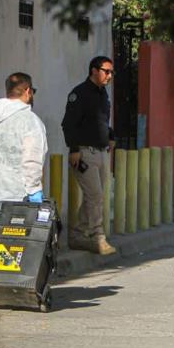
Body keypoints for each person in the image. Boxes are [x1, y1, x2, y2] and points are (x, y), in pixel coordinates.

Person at [61, 56, 116, 255]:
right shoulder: (79, 93)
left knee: (96, 196)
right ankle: (97, 236)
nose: (109, 76)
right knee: (95, 195)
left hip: (101, 152)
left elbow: (102, 121)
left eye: (111, 72)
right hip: (84, 152)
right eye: (106, 71)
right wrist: (74, 149)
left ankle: (77, 235)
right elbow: (68, 124)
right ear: (94, 70)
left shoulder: (103, 94)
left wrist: (111, 136)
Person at [0, 72, 47, 214]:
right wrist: (34, 189)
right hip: (19, 198)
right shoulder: (31, 121)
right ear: (27, 91)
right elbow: (32, 160)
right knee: (16, 235)